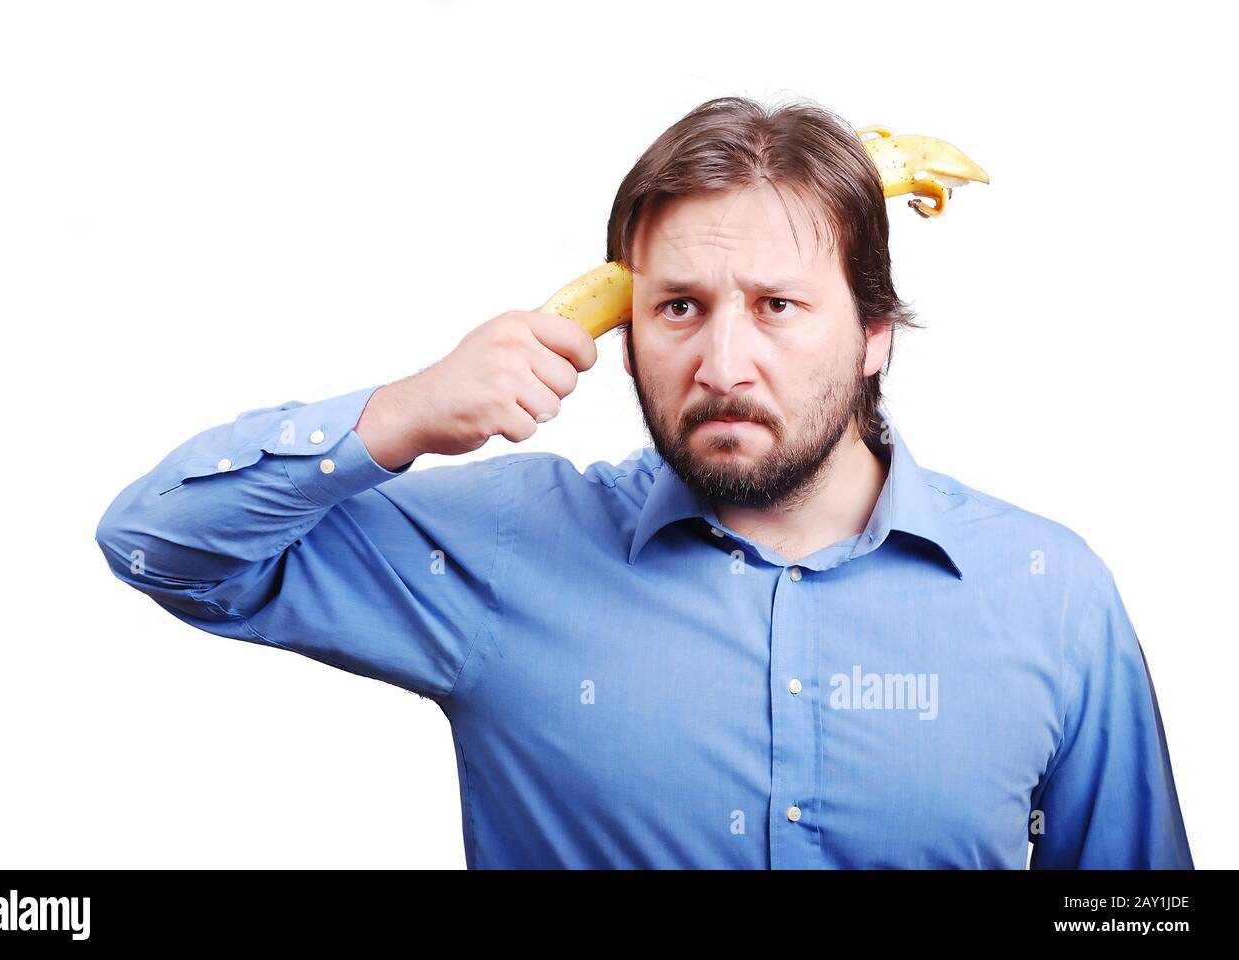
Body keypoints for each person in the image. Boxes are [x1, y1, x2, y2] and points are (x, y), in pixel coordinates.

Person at [95, 96, 1193, 869]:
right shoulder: (508, 550)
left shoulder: (1049, 594)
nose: (723, 364)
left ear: (873, 334)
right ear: (624, 338)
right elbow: (162, 544)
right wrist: (401, 413)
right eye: (678, 308)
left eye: (777, 305)